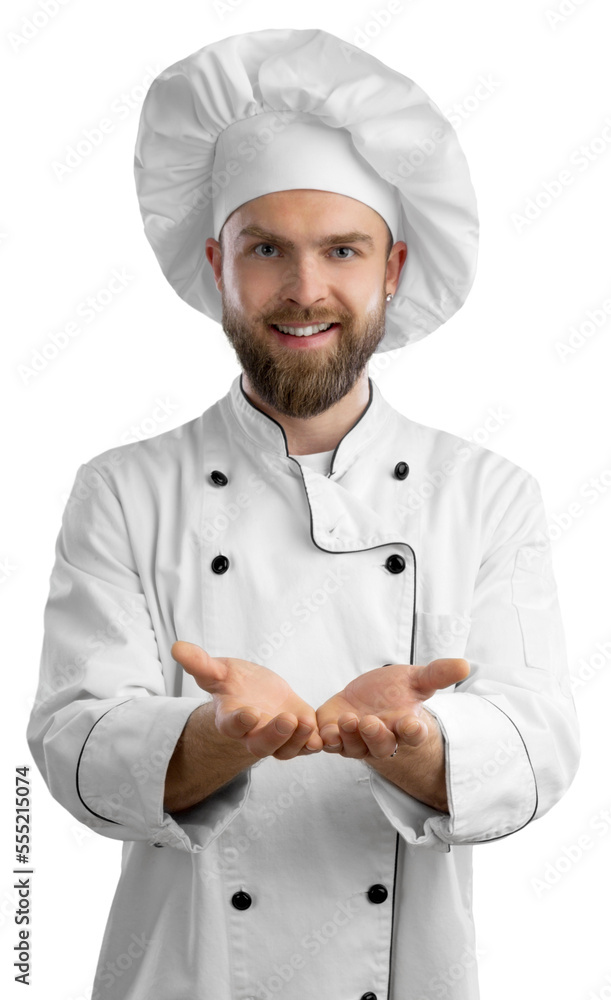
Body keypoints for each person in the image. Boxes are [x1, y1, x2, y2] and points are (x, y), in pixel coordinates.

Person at [26, 27, 580, 1000]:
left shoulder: (486, 496)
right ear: (216, 263)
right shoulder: (123, 490)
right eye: (266, 248)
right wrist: (212, 739)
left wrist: (421, 750)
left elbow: (539, 748)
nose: (304, 288)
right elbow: (71, 740)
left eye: (341, 249)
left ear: (392, 268)